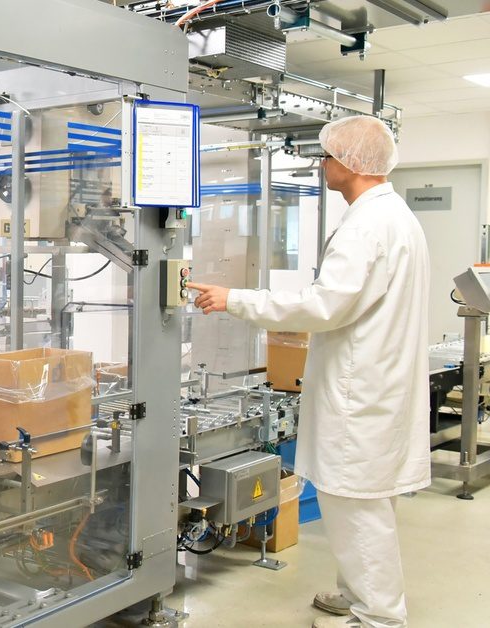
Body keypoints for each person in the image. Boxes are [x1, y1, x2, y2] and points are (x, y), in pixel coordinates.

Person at [188, 115, 430, 628]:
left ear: (350, 163)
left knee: (357, 508)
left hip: (361, 393)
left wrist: (235, 299)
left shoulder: (368, 226)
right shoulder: (393, 217)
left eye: (326, 157)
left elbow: (323, 307)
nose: (322, 166)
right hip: (376, 385)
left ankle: (379, 618)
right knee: (364, 505)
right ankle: (359, 593)